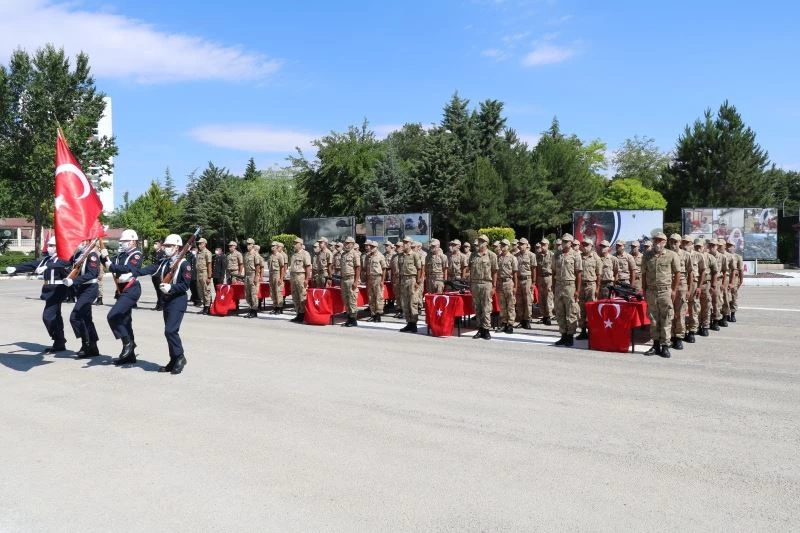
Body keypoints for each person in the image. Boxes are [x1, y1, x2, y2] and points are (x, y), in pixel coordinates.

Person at [108, 233, 192, 374]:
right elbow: (150, 269)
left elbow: (185, 285)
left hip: (178, 300)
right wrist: (133, 274)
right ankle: (173, 359)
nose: (166, 248)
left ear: (177, 248)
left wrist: (172, 287)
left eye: (169, 246)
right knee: (169, 332)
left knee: (170, 330)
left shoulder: (184, 264)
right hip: (167, 300)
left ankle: (180, 357)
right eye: (165, 246)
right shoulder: (165, 262)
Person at [5, 236, 70, 352]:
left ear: (58, 247)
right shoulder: (47, 259)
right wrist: (15, 268)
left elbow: (64, 264)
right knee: (56, 317)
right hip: (49, 289)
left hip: (58, 290)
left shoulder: (62, 258)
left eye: (52, 246)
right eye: (49, 245)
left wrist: (47, 266)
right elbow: (32, 264)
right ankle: (59, 342)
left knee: (48, 317)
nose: (49, 248)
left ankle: (58, 339)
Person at [100, 229, 144, 365]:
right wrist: (103, 257)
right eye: (122, 241)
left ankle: (128, 343)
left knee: (113, 315)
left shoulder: (136, 254)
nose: (122, 243)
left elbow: (129, 269)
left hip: (131, 289)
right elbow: (109, 264)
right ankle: (129, 356)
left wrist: (111, 266)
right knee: (125, 321)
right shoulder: (121, 254)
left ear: (133, 241)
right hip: (121, 289)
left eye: (125, 241)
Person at [641, 232, 681, 358]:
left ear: (665, 242)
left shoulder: (671, 255)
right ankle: (656, 345)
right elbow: (643, 274)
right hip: (651, 291)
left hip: (665, 291)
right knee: (653, 319)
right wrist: (644, 290)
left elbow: (677, 273)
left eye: (660, 240)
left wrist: (673, 290)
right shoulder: (647, 255)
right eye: (656, 240)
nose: (658, 242)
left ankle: (665, 346)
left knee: (666, 318)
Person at [63, 240, 102, 359]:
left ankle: (86, 344)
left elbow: (92, 273)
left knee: (75, 316)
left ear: (87, 241)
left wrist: (74, 281)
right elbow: (69, 266)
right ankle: (93, 347)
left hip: (90, 288)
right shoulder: (78, 255)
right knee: (86, 318)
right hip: (81, 289)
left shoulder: (92, 255)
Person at [552, 234, 582, 347]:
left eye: (566, 241)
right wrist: (553, 287)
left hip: (570, 286)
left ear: (571, 243)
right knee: (560, 312)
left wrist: (577, 290)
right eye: (563, 241)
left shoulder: (575, 255)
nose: (564, 243)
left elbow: (579, 273)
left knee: (571, 312)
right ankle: (563, 335)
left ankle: (570, 336)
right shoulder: (557, 254)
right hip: (559, 285)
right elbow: (554, 271)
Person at [469, 235, 498, 340]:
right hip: (475, 284)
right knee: (477, 308)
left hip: (486, 284)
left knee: (486, 307)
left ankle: (486, 330)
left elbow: (495, 271)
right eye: (479, 241)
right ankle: (479, 329)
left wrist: (494, 286)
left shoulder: (492, 255)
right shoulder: (473, 255)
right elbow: (471, 270)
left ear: (486, 243)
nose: (479, 243)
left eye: (482, 241)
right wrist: (470, 284)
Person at [668, 233, 691, 350]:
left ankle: (679, 337)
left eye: (675, 242)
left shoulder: (686, 255)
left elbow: (691, 272)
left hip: (681, 285)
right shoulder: (666, 254)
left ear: (680, 243)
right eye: (671, 242)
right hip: (668, 285)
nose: (673, 244)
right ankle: (670, 335)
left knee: (680, 312)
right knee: (669, 312)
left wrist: (689, 289)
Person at [577, 237, 601, 340]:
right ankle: (583, 331)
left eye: (587, 245)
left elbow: (599, 274)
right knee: (581, 309)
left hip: (591, 285)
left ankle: (591, 331)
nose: (585, 247)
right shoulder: (579, 257)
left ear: (591, 246)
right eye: (583, 245)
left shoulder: (596, 258)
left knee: (591, 309)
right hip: (581, 285)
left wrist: (597, 288)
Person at [398, 236, 423, 333]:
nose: (404, 244)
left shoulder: (415, 255)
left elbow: (419, 268)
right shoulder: (401, 256)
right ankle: (408, 322)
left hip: (412, 279)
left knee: (413, 302)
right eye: (403, 242)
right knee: (405, 302)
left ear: (410, 244)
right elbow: (400, 270)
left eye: (406, 242)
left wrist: (417, 282)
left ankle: (414, 324)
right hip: (404, 280)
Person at [683, 235, 704, 344]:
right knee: (682, 308)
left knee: (693, 308)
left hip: (694, 284)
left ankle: (692, 331)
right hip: (683, 284)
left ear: (691, 244)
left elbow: (703, 271)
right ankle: (683, 331)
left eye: (687, 243)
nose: (685, 245)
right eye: (683, 242)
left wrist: (700, 287)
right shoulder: (679, 254)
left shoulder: (698, 256)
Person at [496, 239, 518, 334]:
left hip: (509, 282)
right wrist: (496, 284)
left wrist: (515, 286)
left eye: (504, 245)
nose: (502, 246)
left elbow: (515, 273)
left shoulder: (512, 258)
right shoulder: (498, 258)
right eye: (501, 245)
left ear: (508, 246)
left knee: (510, 304)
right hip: (501, 283)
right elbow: (496, 272)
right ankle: (504, 322)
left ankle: (510, 324)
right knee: (502, 305)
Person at [339, 236, 362, 327]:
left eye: (348, 243)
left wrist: (356, 281)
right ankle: (349, 317)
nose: (346, 245)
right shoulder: (343, 254)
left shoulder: (355, 254)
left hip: (351, 278)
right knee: (346, 299)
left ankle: (353, 319)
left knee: (352, 299)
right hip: (344, 279)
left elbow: (358, 268)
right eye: (345, 243)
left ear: (352, 244)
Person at [515, 238, 537, 329]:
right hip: (519, 279)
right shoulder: (515, 256)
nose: (521, 246)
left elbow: (534, 269)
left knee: (527, 300)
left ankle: (527, 320)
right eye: (520, 244)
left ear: (527, 245)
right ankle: (521, 320)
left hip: (527, 279)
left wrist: (534, 282)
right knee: (519, 301)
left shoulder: (531, 255)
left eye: (523, 244)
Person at [289, 237, 312, 323]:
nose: (294, 245)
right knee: (295, 296)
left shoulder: (305, 254)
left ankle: (303, 314)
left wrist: (307, 279)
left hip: (301, 277)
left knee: (302, 296)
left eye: (296, 243)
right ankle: (298, 313)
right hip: (294, 277)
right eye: (294, 243)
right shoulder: (294, 255)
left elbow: (308, 267)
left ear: (301, 245)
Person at [243, 238, 264, 318]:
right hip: (247, 276)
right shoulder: (246, 254)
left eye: (249, 244)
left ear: (252, 245)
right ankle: (251, 308)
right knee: (247, 294)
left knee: (253, 294)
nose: (248, 246)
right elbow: (245, 266)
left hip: (253, 275)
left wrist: (256, 277)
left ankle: (254, 310)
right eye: (247, 244)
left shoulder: (255, 254)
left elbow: (257, 266)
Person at [536, 238, 554, 325]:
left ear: (548, 245)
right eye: (541, 244)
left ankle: (549, 316)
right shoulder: (538, 255)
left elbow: (554, 269)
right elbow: (536, 268)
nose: (542, 246)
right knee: (541, 297)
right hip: (540, 277)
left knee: (548, 297)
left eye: (544, 245)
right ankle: (544, 315)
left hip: (548, 277)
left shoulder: (552, 255)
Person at [726, 240, 743, 322]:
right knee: (725, 297)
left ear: (734, 247)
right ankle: (726, 314)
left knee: (733, 297)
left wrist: (741, 280)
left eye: (731, 246)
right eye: (728, 245)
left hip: (735, 280)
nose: (729, 247)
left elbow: (740, 270)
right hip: (725, 278)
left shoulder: (737, 257)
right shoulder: (724, 256)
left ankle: (733, 314)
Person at [195, 237, 213, 315]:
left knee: (206, 291)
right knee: (201, 291)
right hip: (199, 273)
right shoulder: (199, 253)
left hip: (205, 273)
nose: (199, 245)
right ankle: (204, 306)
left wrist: (209, 276)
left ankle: (208, 307)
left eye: (201, 243)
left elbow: (209, 265)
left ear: (205, 244)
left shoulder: (207, 253)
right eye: (199, 243)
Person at [268, 241, 287, 314]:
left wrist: (281, 278)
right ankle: (275, 306)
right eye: (271, 246)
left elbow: (282, 267)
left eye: (273, 246)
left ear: (276, 247)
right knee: (272, 291)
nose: (272, 247)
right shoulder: (271, 256)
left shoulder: (280, 256)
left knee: (278, 291)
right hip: (271, 275)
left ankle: (280, 308)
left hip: (277, 274)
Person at [151, 240, 166, 311]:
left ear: (160, 245)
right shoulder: (155, 253)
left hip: (159, 274)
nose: (155, 245)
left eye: (156, 243)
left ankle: (162, 305)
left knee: (160, 291)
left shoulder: (162, 253)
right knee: (157, 290)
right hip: (154, 274)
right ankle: (158, 304)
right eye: (154, 243)